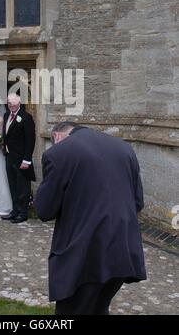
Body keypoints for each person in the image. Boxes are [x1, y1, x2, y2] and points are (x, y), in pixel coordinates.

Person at [35, 122, 147, 315]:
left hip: (85, 253)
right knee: (98, 307)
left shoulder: (59, 153)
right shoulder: (123, 147)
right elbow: (137, 202)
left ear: (57, 137)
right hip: (123, 249)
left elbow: (44, 210)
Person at [2, 93, 36, 223]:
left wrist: (27, 160)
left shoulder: (26, 118)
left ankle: (23, 213)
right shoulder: (6, 115)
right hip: (9, 157)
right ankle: (15, 210)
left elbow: (30, 140)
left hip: (22, 159)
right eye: (9, 103)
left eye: (14, 104)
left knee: (23, 187)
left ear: (19, 104)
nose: (12, 106)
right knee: (13, 185)